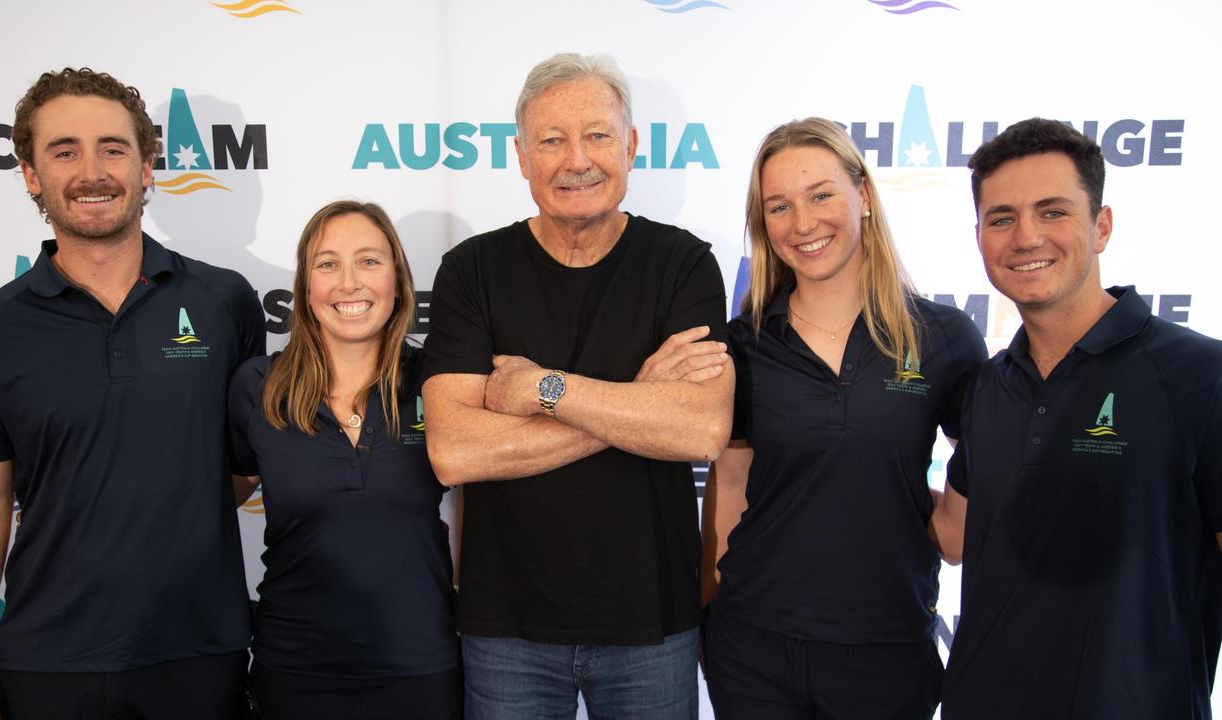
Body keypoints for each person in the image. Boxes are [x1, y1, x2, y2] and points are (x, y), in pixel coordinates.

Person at [0, 68, 263, 719]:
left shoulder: (225, 301)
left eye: (113, 149)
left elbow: (246, 463)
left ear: (148, 167)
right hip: (47, 661)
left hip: (200, 650)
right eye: (64, 151)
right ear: (31, 175)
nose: (93, 171)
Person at [421, 53, 733, 720]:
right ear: (522, 157)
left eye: (596, 134)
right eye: (551, 140)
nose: (576, 160)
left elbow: (699, 429)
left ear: (631, 145)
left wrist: (547, 388)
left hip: (653, 622)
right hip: (506, 628)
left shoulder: (684, 265)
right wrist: (633, 400)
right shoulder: (472, 271)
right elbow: (454, 449)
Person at [699, 117, 985, 720]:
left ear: (864, 196)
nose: (803, 223)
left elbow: (981, 462)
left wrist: (930, 517)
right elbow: (728, 484)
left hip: (888, 648)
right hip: (753, 646)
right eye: (778, 206)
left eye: (821, 195)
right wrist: (710, 609)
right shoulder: (744, 345)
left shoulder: (943, 337)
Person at [935, 118, 1222, 718]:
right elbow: (955, 537)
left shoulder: (1199, 374)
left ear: (1102, 227)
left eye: (1053, 212)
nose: (1026, 237)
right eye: (1002, 218)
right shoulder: (988, 384)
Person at [227, 201, 461, 719]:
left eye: (369, 262)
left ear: (398, 282)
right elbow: (220, 498)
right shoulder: (259, 389)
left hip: (420, 664)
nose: (349, 283)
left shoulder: (437, 383)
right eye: (328, 264)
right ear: (306, 289)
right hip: (295, 670)